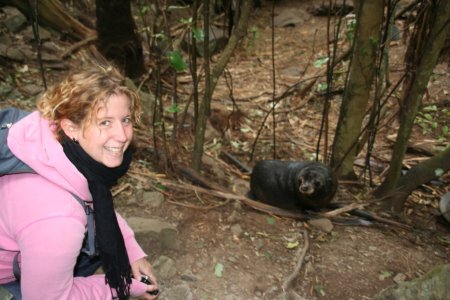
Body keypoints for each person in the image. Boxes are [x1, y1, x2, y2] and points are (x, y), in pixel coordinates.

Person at [0, 65, 159, 299]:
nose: (123, 135)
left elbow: (93, 200)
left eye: (125, 119)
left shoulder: (46, 138)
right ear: (71, 127)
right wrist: (122, 286)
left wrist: (130, 249)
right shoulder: (58, 217)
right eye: (105, 122)